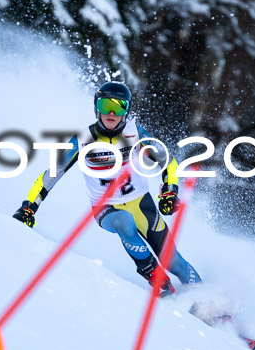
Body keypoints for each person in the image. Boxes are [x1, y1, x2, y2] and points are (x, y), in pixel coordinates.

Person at [12, 81, 201, 295]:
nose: (111, 113)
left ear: (126, 111)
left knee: (174, 261)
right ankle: (153, 275)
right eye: (104, 106)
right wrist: (29, 206)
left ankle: (209, 300)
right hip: (106, 208)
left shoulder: (136, 133)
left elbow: (169, 163)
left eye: (118, 107)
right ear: (96, 108)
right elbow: (51, 175)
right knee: (124, 222)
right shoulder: (83, 140)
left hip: (141, 203)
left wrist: (169, 191)